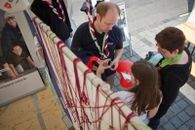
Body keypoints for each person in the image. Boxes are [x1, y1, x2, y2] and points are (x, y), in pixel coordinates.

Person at [148, 27, 192, 129]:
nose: (158, 51)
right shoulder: (183, 50)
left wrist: (152, 112)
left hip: (157, 107)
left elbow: (167, 100)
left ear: (175, 51)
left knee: (152, 122)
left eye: (162, 51)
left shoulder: (173, 76)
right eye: (157, 47)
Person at [71, 2, 124, 85]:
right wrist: (93, 63)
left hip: (109, 72)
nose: (110, 28)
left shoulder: (116, 31)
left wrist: (117, 59)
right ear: (98, 17)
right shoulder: (82, 31)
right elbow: (74, 53)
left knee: (107, 92)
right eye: (107, 23)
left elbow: (119, 48)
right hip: (90, 74)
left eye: (113, 24)